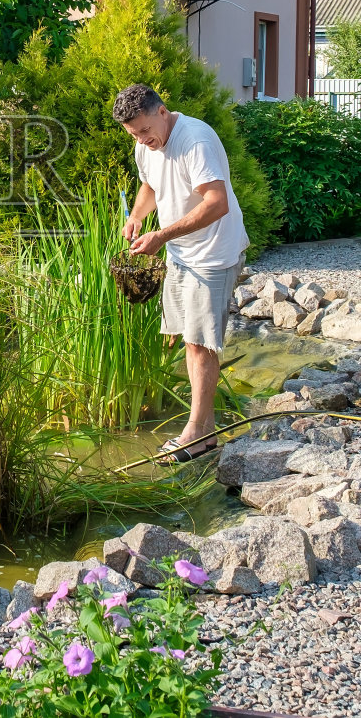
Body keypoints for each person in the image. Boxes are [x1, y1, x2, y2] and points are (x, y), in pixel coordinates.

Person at [114, 83, 248, 462]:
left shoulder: (196, 141)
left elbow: (217, 203)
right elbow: (149, 186)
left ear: (162, 110)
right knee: (188, 339)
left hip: (213, 252)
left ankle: (196, 433)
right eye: (133, 135)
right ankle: (204, 431)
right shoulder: (145, 145)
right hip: (181, 252)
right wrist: (139, 217)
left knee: (200, 342)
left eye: (144, 130)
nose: (142, 140)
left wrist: (163, 234)